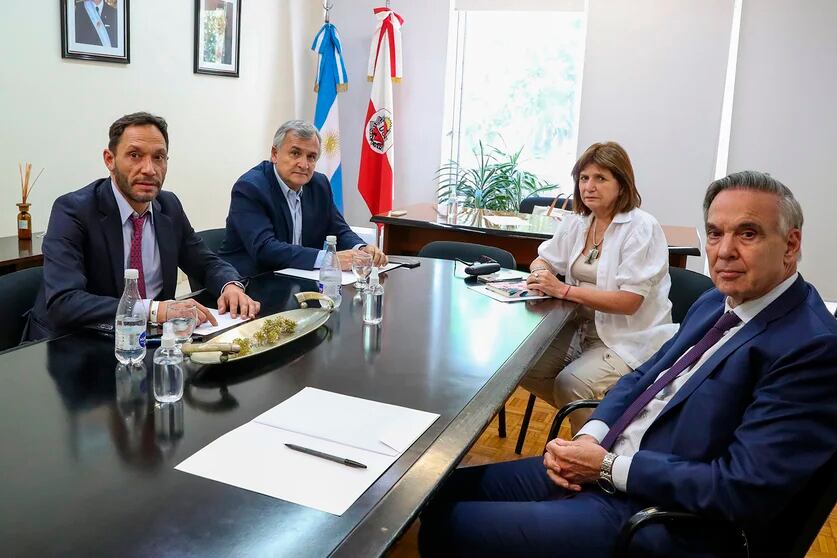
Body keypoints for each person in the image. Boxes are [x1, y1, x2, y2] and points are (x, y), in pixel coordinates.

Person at [418, 171, 837, 557]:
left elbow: (739, 488)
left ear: (791, 244)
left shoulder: (810, 347)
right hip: (606, 462)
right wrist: (592, 437)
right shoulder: (716, 301)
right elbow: (644, 376)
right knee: (434, 493)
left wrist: (608, 468)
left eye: (748, 233)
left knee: (447, 527)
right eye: (714, 233)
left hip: (655, 512)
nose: (724, 251)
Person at [25, 112, 260, 341]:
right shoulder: (73, 210)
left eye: (158, 157)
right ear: (110, 160)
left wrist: (231, 286)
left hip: (151, 341)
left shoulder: (168, 206)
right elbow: (65, 302)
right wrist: (155, 310)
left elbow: (205, 263)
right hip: (77, 343)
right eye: (135, 155)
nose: (149, 169)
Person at [521, 142, 677, 433]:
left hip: (629, 336)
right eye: (583, 178)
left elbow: (629, 301)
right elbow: (543, 259)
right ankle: (610, 425)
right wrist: (541, 274)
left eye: (600, 178)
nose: (589, 186)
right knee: (521, 368)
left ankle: (592, 456)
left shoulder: (641, 227)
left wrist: (563, 290)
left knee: (571, 384)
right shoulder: (577, 222)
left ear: (622, 184)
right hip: (580, 329)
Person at [218, 120, 387, 276]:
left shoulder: (319, 184)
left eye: (311, 157)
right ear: (275, 154)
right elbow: (265, 249)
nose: (304, 164)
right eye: (295, 153)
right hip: (252, 283)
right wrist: (330, 260)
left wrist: (362, 249)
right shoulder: (251, 188)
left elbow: (339, 230)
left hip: (299, 281)